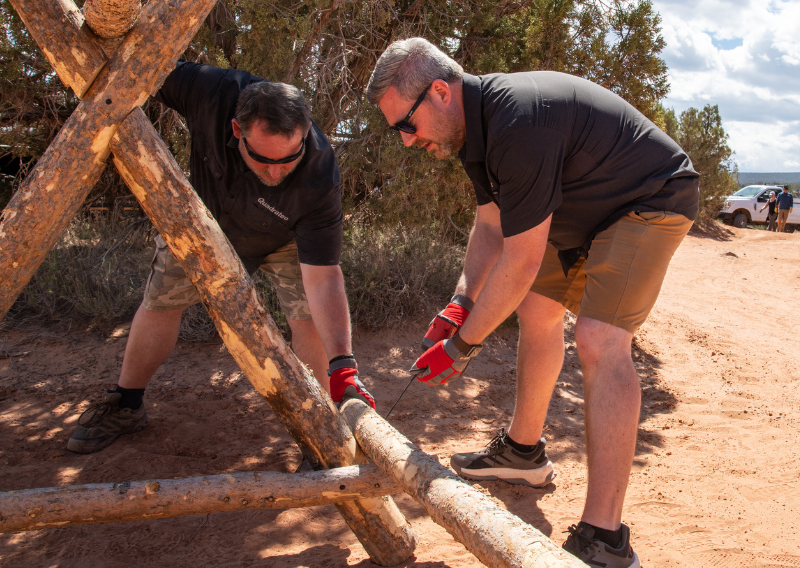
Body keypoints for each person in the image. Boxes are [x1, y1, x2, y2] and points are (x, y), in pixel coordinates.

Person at [367, 38, 699, 568]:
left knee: (599, 338)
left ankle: (605, 538)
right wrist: (460, 303)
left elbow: (520, 262)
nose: (406, 141)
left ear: (438, 93)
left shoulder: (517, 122)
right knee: (537, 311)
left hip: (649, 198)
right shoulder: (474, 130)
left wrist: (462, 347)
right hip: (585, 213)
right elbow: (491, 226)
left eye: (406, 124)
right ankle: (523, 454)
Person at [68, 61, 374, 454]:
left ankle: (320, 429)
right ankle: (126, 404)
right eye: (264, 159)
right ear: (236, 130)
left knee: (308, 318)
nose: (277, 172)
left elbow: (323, 277)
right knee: (160, 302)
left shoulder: (318, 173)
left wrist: (342, 363)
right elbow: (136, 66)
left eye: (288, 159)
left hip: (283, 238)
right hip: (200, 222)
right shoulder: (209, 91)